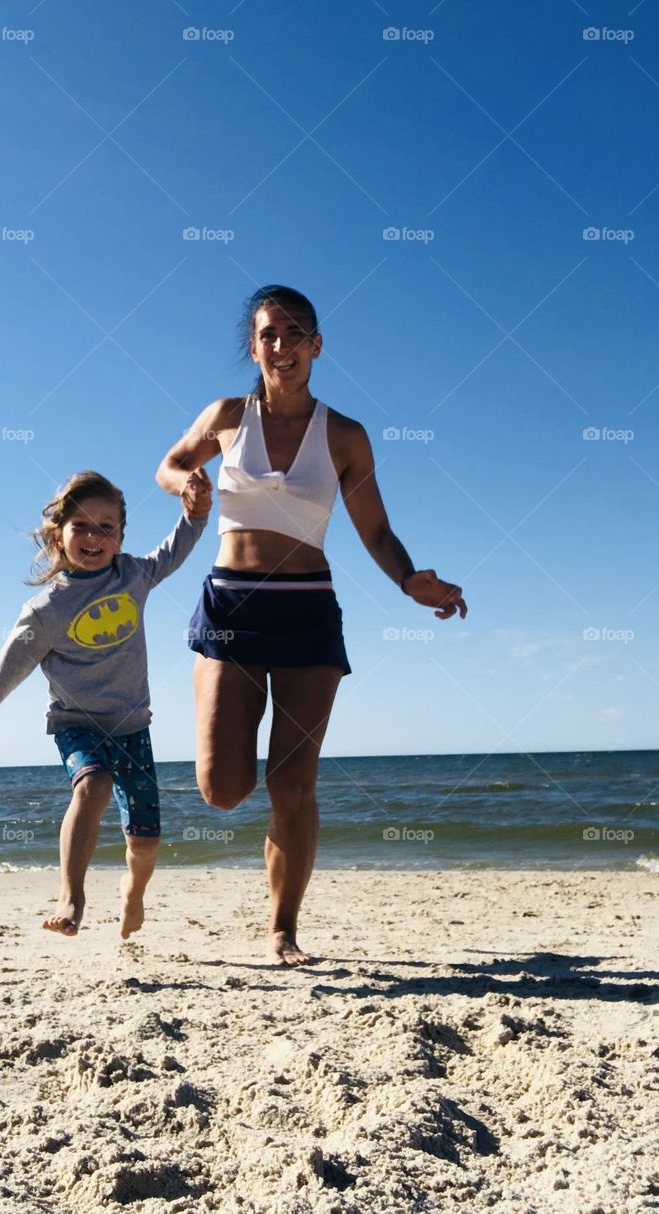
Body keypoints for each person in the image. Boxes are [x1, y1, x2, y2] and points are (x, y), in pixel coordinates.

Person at [156, 285, 467, 966]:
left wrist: (409, 579)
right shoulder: (228, 416)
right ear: (254, 346)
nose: (282, 345)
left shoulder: (345, 435)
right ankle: (264, 880)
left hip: (307, 613)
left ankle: (282, 929)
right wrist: (185, 483)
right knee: (223, 789)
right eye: (269, 333)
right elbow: (172, 461)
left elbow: (376, 529)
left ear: (316, 346)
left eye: (296, 333)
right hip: (231, 611)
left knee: (293, 784)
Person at [0, 468, 212, 939]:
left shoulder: (134, 575)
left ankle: (134, 893)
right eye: (80, 525)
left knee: (144, 843)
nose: (93, 536)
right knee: (93, 786)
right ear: (58, 535)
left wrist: (195, 514)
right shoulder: (46, 611)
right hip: (75, 723)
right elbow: (7, 669)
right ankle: (71, 897)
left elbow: (174, 551)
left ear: (120, 536)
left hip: (132, 727)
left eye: (106, 526)